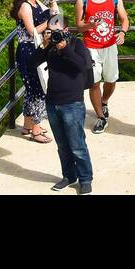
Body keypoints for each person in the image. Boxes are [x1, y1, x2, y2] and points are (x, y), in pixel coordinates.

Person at [35, 19, 95, 193]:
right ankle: (69, 176)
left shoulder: (77, 44)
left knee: (77, 145)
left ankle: (85, 179)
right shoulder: (49, 47)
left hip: (72, 103)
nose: (53, 34)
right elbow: (31, 63)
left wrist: (65, 48)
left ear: (66, 30)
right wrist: (44, 46)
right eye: (50, 31)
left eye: (56, 31)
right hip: (52, 102)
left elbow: (82, 66)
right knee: (62, 145)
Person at [76, 0, 130, 134]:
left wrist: (122, 32)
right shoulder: (82, 1)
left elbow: (124, 19)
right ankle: (100, 117)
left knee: (111, 80)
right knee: (93, 83)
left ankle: (104, 101)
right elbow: (78, 25)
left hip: (110, 46)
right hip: (91, 47)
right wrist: (89, 25)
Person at [10, 0, 57, 144]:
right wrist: (50, 23)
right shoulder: (25, 6)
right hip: (27, 51)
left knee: (33, 89)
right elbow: (32, 31)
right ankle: (36, 130)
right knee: (38, 89)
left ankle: (28, 125)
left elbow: (56, 14)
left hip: (36, 49)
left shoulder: (37, 2)